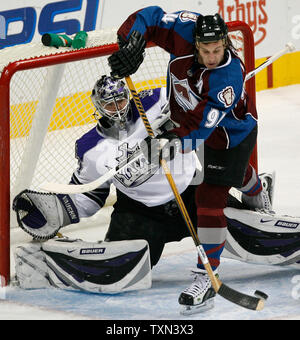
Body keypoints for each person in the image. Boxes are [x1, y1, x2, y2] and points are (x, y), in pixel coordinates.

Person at [13, 75, 300, 314]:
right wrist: (58, 210)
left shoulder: (157, 101)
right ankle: (48, 259)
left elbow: (198, 106)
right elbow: (90, 195)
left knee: (240, 230)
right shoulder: (89, 148)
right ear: (97, 107)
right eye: (109, 103)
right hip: (140, 212)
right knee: (123, 263)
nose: (117, 107)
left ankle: (257, 198)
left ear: (129, 96)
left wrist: (175, 128)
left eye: (121, 99)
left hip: (192, 194)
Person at [107, 8, 275, 313]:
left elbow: (200, 130)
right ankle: (258, 188)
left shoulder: (226, 78)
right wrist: (130, 41)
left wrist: (171, 143)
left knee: (209, 197)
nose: (211, 56)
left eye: (217, 50)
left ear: (225, 43)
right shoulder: (185, 29)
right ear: (195, 43)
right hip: (187, 124)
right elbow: (151, 17)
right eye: (205, 50)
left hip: (229, 136)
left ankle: (206, 275)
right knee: (233, 176)